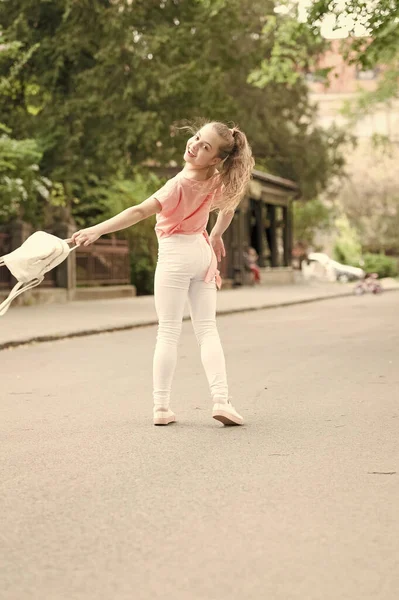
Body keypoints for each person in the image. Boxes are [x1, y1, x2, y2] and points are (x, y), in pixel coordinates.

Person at [71, 121, 254, 426]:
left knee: (168, 332)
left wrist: (97, 229)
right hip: (202, 251)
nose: (194, 146)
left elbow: (140, 211)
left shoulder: (177, 185)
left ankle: (161, 408)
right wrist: (218, 234)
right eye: (196, 138)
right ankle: (221, 400)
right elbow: (229, 206)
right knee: (207, 329)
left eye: (205, 146)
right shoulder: (219, 179)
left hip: (176, 255)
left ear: (215, 159)